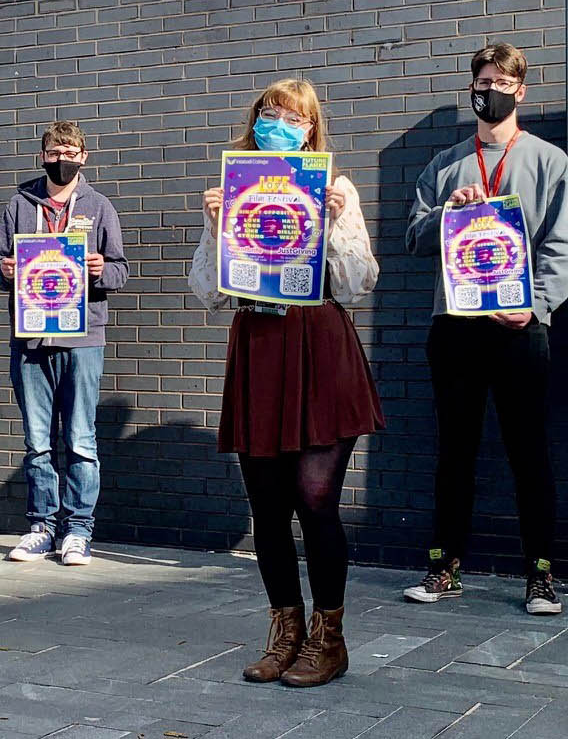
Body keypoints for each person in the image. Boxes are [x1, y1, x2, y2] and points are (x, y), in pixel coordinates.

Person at [187, 78, 381, 688]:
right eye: (271, 113)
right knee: (267, 511)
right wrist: (218, 227)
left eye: (295, 117)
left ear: (312, 127)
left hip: (319, 348)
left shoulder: (335, 188)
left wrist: (332, 225)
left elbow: (358, 284)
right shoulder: (235, 188)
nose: (281, 123)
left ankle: (330, 639)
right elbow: (207, 293)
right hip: (261, 349)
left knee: (316, 503)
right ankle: (284, 632)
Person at [403, 42, 568, 615]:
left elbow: (563, 242)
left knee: (529, 452)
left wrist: (537, 304)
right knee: (454, 452)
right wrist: (446, 214)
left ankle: (541, 574)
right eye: (481, 82)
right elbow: (412, 238)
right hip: (454, 325)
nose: (490, 91)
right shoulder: (446, 165)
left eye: (501, 82)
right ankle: (444, 567)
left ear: (520, 90)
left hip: (518, 327)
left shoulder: (548, 162)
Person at [0, 121, 128, 566]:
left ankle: (79, 531)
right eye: (54, 150)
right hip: (30, 337)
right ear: (42, 155)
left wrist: (100, 269)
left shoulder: (100, 207)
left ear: (84, 157)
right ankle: (41, 528)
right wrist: (4, 270)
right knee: (37, 441)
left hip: (83, 337)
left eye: (70, 150)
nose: (61, 157)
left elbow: (121, 272)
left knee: (81, 440)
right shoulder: (19, 204)